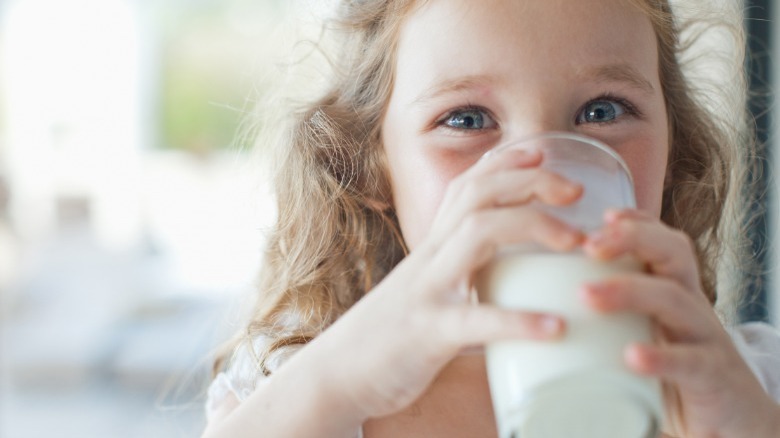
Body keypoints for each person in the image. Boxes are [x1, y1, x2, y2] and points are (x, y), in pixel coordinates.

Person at [202, 0, 780, 437]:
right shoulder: (301, 399)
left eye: (602, 111)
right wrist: (337, 381)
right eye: (467, 119)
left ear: (673, 148)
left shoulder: (745, 385)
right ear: (373, 166)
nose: (544, 176)